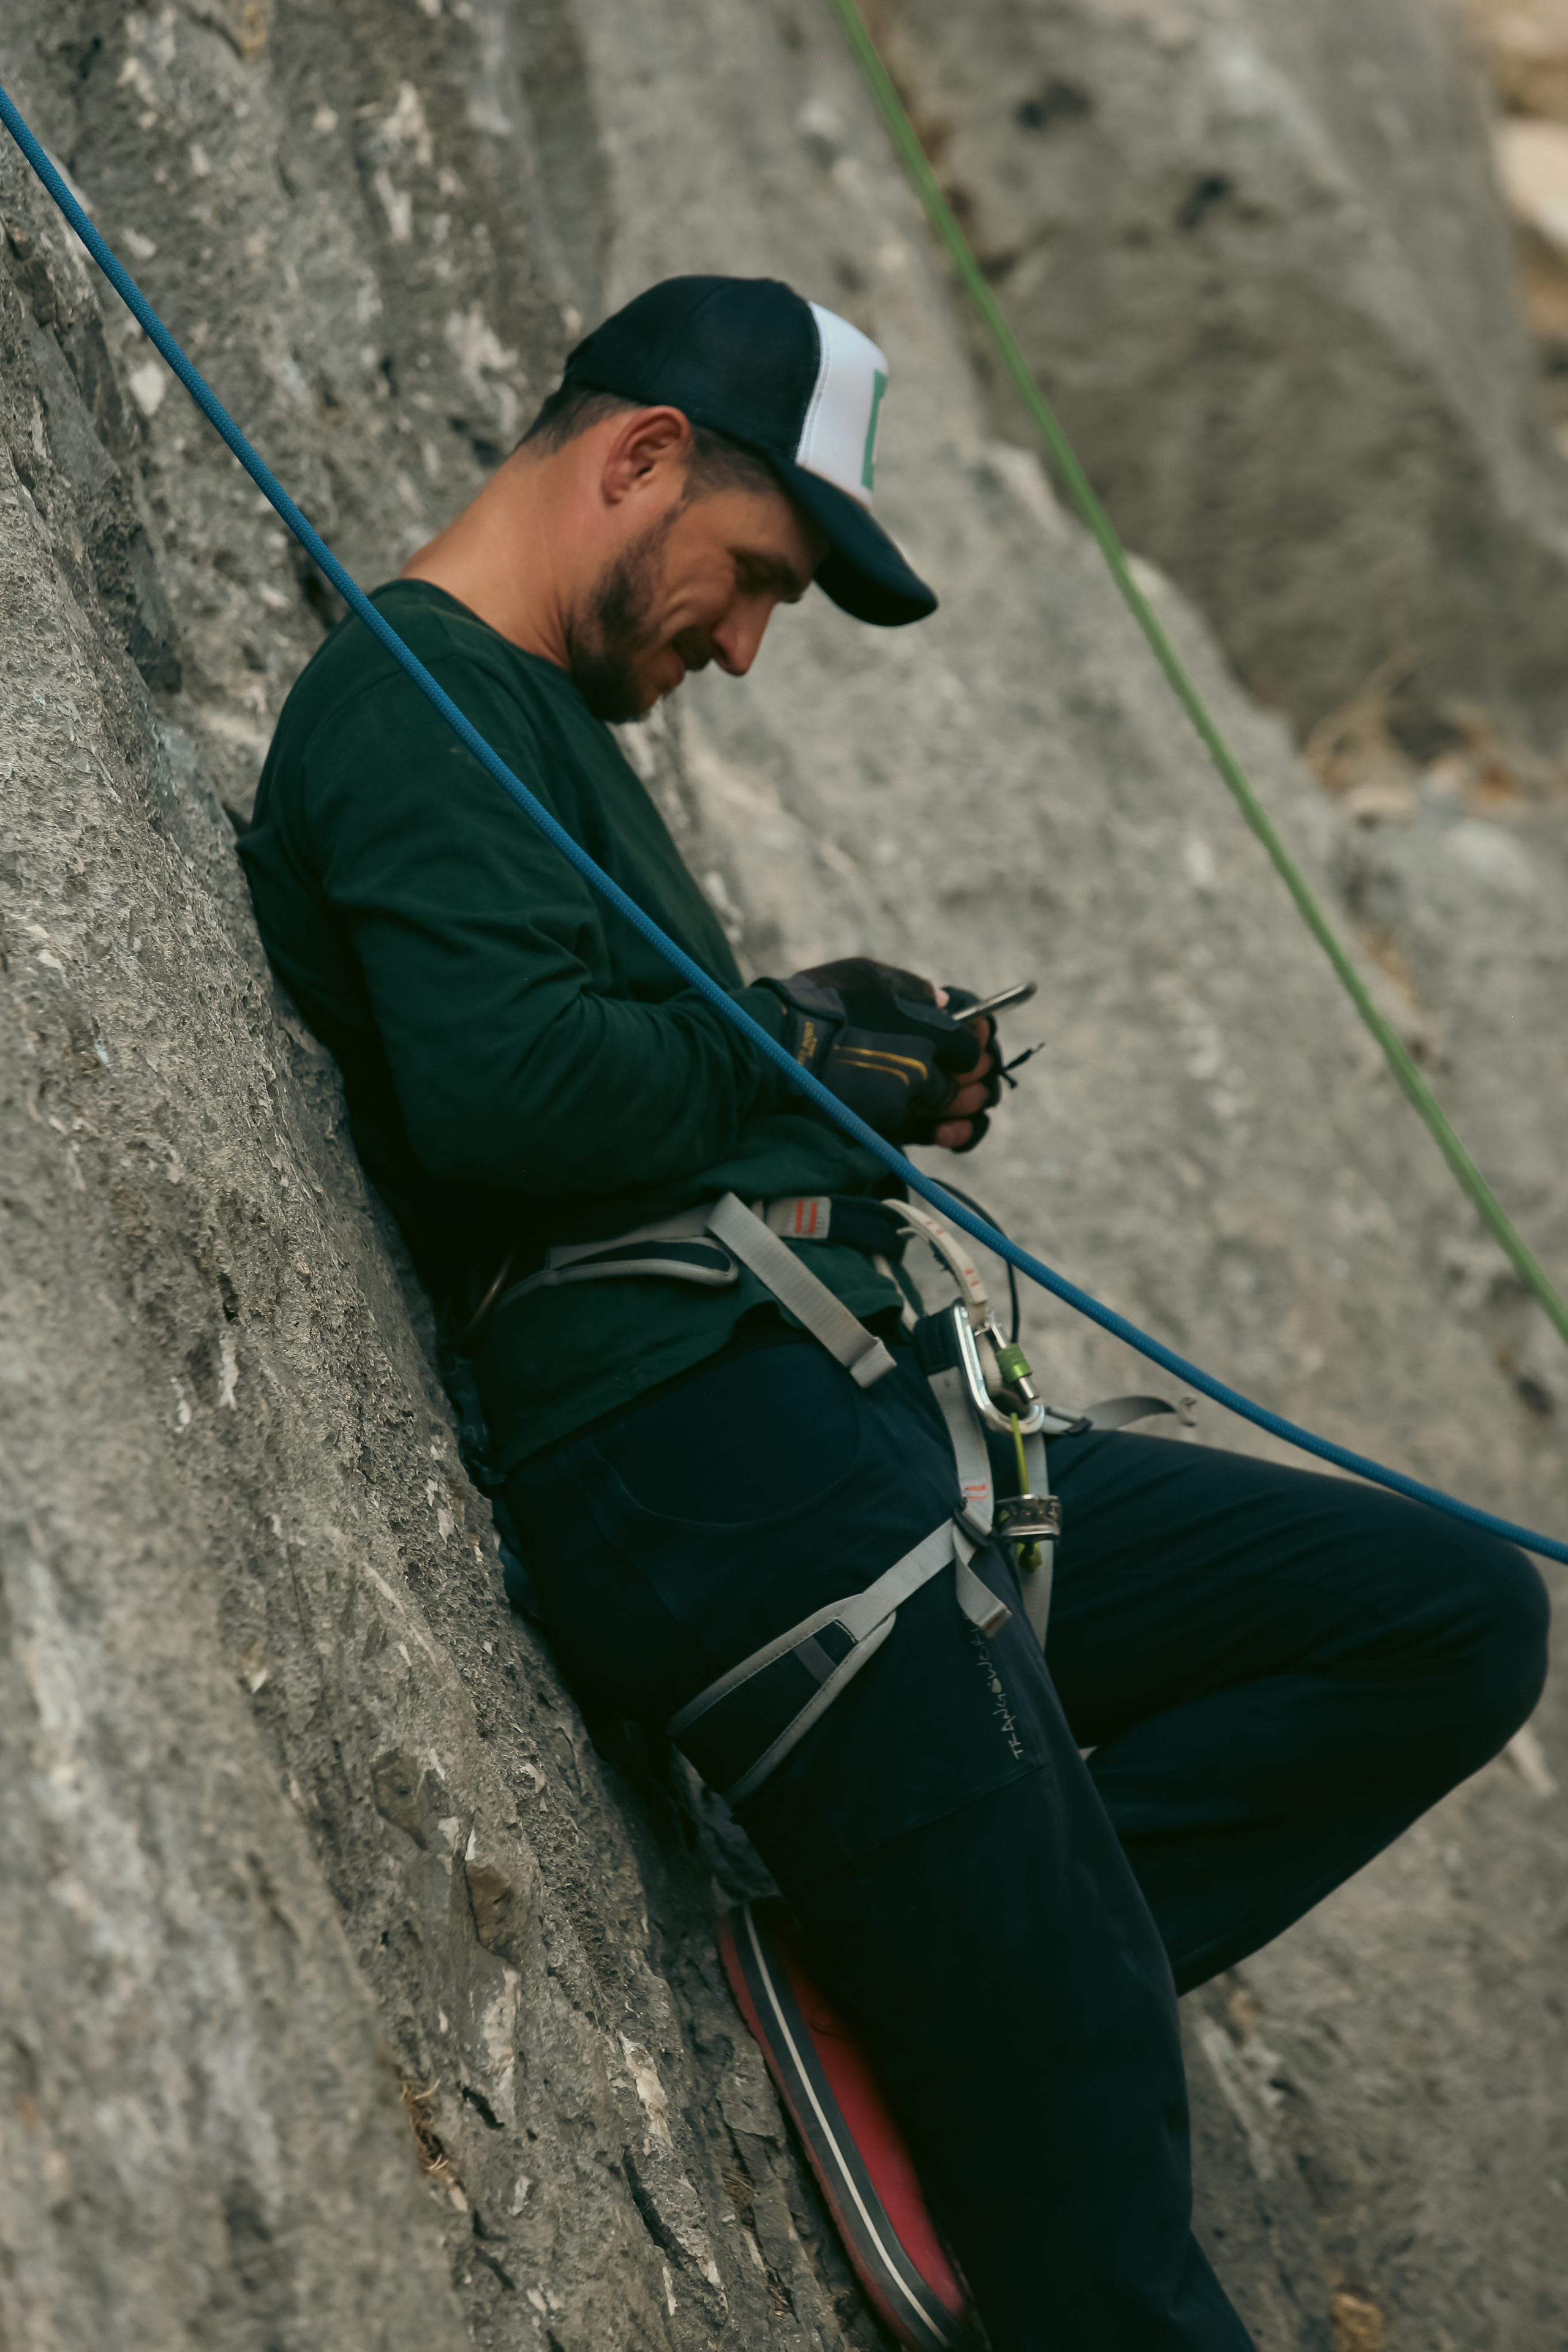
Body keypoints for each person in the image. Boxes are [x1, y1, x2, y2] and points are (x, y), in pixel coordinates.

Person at [239, 275, 1549, 2351]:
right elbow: (507, 1093)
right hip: (700, 1462)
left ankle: (935, 1955)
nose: (748, 644)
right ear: (641, 457)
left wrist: (823, 1039)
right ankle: (999, 1979)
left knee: (1451, 1618)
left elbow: (634, 1056)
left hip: (842, 1426)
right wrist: (794, 1058)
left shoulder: (536, 727)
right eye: (756, 580)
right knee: (1105, 2192)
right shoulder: (420, 692)